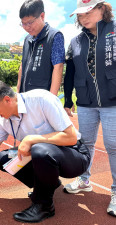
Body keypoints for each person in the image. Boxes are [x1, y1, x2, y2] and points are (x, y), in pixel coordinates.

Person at [0, 81, 90, 223]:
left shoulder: (41, 100)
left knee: (38, 149)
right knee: (4, 158)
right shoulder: (4, 121)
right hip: (44, 155)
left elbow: (71, 137)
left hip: (74, 154)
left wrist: (31, 139)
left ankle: (44, 206)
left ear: (7, 100)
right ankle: (47, 185)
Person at [63, 0, 116, 217]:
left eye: (88, 11)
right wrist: (68, 100)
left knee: (113, 145)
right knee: (86, 143)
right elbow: (70, 74)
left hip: (113, 100)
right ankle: (84, 180)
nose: (83, 17)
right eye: (80, 14)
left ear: (102, 9)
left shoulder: (114, 32)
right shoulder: (75, 41)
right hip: (85, 101)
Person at [16, 0, 65, 95]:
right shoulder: (27, 39)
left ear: (42, 16)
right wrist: (18, 92)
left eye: (30, 22)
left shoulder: (55, 36)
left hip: (42, 98)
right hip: (24, 96)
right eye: (23, 23)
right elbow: (22, 66)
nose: (27, 27)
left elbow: (58, 67)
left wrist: (51, 99)